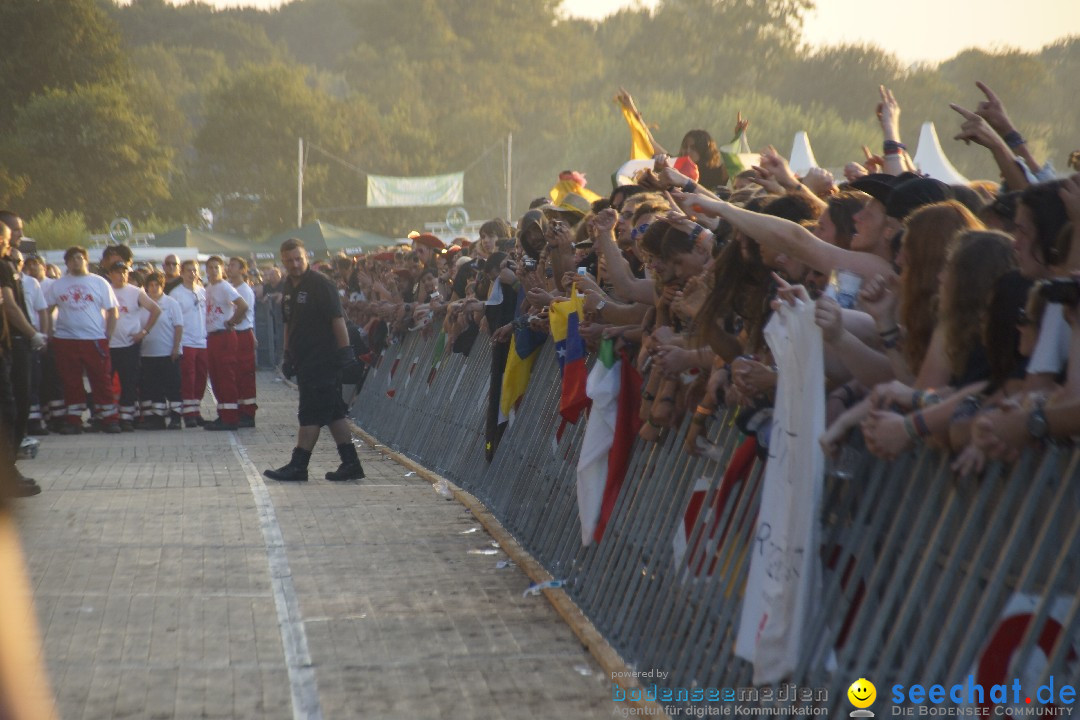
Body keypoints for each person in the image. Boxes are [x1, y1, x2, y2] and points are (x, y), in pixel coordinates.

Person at [264, 238, 365, 482]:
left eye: (298, 259)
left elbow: (337, 319)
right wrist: (287, 354)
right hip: (303, 358)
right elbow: (288, 323)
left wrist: (345, 351)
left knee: (309, 412)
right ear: (283, 261)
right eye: (289, 260)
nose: (295, 264)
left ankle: (299, 465)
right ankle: (351, 464)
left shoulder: (322, 284)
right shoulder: (288, 286)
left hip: (324, 359)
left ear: (306, 256)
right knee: (333, 413)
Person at [45, 246, 120, 434]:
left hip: (94, 338)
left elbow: (113, 311)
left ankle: (108, 418)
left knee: (101, 379)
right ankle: (74, 420)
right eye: (71, 259)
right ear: (67, 263)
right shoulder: (58, 285)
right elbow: (46, 310)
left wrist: (108, 334)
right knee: (71, 381)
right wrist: (48, 334)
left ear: (86, 260)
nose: (75, 261)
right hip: (65, 339)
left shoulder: (100, 283)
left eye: (79, 258)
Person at [106, 262, 161, 431]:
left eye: (124, 272)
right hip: (108, 344)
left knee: (128, 383)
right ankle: (107, 418)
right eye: (117, 272)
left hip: (129, 345)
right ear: (110, 274)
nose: (121, 275)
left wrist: (143, 332)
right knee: (105, 383)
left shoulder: (135, 292)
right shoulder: (105, 289)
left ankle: (126, 418)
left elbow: (155, 309)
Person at [202, 256, 247, 431]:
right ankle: (223, 414)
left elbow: (242, 306)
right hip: (212, 336)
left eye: (216, 267)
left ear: (222, 270)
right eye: (210, 267)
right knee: (216, 377)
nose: (213, 271)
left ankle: (230, 418)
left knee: (226, 376)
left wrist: (232, 322)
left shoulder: (225, 287)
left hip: (224, 336)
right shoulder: (209, 288)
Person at [138, 272, 184, 430]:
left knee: (173, 386)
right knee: (154, 387)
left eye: (157, 285)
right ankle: (158, 418)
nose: (154, 288)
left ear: (162, 286)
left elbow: (178, 326)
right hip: (148, 353)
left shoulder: (171, 303)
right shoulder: (143, 304)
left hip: (167, 353)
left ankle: (176, 418)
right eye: (150, 285)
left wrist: (176, 348)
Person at [170, 260, 208, 427]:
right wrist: (176, 345)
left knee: (201, 378)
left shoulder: (202, 291)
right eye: (188, 271)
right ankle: (188, 413)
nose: (192, 274)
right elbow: (173, 320)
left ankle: (196, 409)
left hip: (202, 341)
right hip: (186, 341)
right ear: (182, 273)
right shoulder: (176, 294)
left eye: (194, 270)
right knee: (188, 379)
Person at [227, 256, 257, 427]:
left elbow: (243, 313)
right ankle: (238, 407)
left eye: (233, 265)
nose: (229, 268)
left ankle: (248, 411)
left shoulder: (244, 290)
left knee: (245, 373)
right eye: (229, 265)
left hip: (242, 332)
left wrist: (230, 322)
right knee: (235, 373)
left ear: (242, 270)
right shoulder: (231, 288)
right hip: (234, 334)